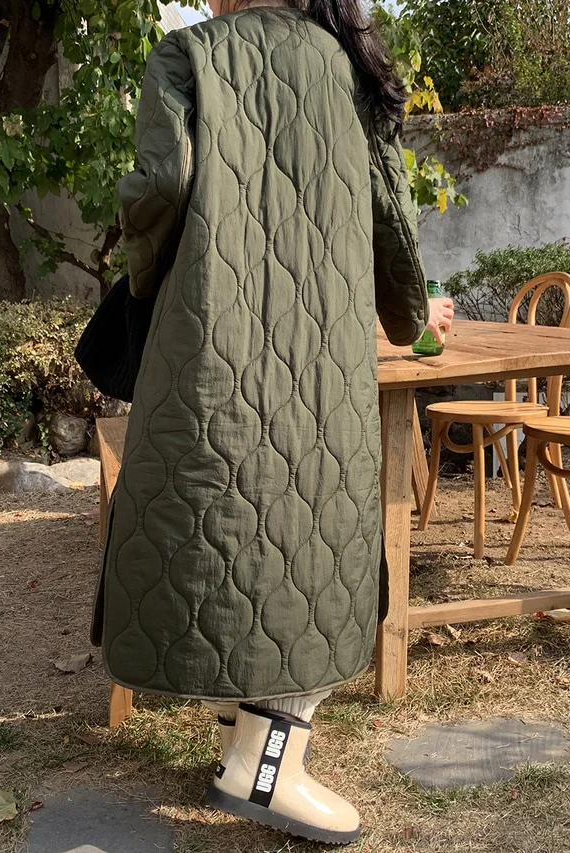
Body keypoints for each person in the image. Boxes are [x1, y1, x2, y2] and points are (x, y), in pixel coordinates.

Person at [91, 0, 454, 844]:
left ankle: (259, 762)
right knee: (307, 534)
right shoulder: (347, 65)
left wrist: (151, 277)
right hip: (323, 352)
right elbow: (391, 211)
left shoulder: (186, 56)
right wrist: (407, 317)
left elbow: (158, 190)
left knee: (218, 517)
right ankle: (258, 759)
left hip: (206, 345)